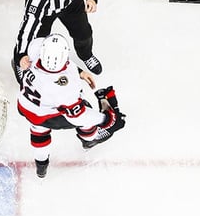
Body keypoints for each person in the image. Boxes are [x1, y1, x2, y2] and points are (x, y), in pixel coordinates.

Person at [17, 34, 126, 178]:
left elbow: (33, 51)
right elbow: (80, 117)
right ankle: (90, 139)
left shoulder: (35, 50)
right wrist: (106, 119)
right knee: (84, 111)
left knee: (38, 129)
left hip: (25, 106)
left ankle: (41, 168)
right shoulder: (64, 89)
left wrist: (80, 72)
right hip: (47, 115)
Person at [13, 0, 103, 85]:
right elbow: (29, 23)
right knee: (36, 45)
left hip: (73, 3)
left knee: (84, 34)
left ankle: (86, 55)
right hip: (47, 13)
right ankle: (18, 62)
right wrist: (21, 54)